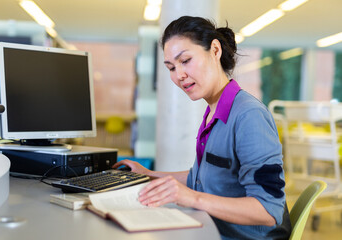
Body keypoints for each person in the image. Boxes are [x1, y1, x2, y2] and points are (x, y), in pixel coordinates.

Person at [113, 15, 291, 239]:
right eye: (171, 67)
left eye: (185, 60)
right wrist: (149, 175)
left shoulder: (249, 116)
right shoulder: (213, 111)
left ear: (215, 50)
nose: (180, 75)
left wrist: (190, 197)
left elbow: (268, 210)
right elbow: (203, 178)